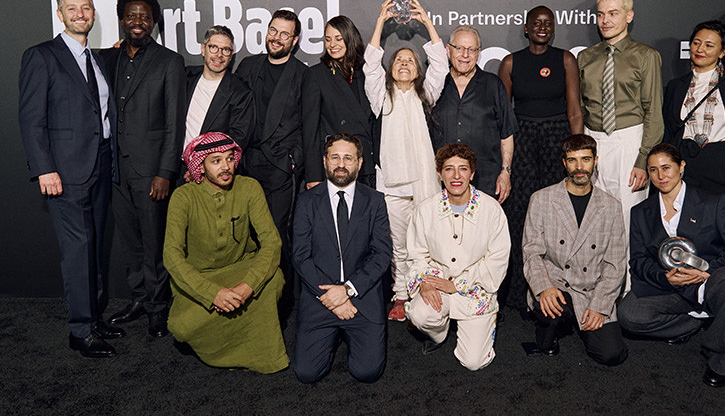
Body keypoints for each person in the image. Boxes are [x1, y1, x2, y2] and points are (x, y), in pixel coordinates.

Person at [18, 0, 123, 357]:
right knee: (78, 251)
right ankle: (80, 330)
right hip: (64, 171)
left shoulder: (97, 59)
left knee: (93, 247)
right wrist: (44, 169)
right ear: (59, 14)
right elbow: (31, 119)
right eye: (73, 8)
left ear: (94, 13)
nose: (81, 14)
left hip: (101, 163)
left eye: (87, 8)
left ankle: (94, 318)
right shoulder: (41, 56)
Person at [618, 143, 725, 387]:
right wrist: (664, 277)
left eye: (666, 168)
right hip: (670, 288)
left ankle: (719, 361)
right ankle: (696, 321)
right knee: (629, 315)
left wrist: (708, 271)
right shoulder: (640, 212)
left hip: (708, 282)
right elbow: (638, 261)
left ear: (681, 167)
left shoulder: (713, 202)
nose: (661, 176)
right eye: (653, 170)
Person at [163, 132, 288, 372]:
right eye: (216, 161)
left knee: (275, 280)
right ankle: (223, 350)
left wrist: (247, 287)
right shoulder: (183, 197)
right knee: (180, 327)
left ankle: (255, 352)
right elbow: (171, 255)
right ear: (201, 166)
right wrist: (214, 294)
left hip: (241, 269)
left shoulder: (249, 187)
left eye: (230, 159)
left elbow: (272, 242)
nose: (226, 167)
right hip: (201, 277)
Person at [100, 0, 187, 338]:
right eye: (132, 16)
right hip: (115, 169)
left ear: (153, 22)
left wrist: (165, 172)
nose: (138, 22)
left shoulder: (170, 61)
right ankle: (138, 298)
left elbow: (174, 123)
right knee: (129, 241)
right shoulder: (107, 58)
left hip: (151, 170)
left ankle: (157, 307)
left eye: (145, 17)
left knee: (154, 243)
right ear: (122, 19)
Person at [363, 0, 448, 321]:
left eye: (410, 61)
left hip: (424, 184)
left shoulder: (426, 95)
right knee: (398, 245)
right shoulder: (379, 97)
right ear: (391, 69)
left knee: (426, 242)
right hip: (392, 186)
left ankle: (425, 291)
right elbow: (371, 65)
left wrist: (426, 22)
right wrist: (380, 22)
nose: (403, 63)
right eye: (398, 60)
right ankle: (400, 296)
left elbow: (441, 64)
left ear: (417, 71)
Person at [498, 5, 584, 311]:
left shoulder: (565, 59)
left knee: (556, 215)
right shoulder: (510, 62)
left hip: (556, 141)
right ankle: (517, 294)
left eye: (548, 23)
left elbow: (574, 111)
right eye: (537, 22)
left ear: (554, 28)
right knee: (520, 216)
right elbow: (503, 115)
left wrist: (576, 150)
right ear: (526, 28)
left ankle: (559, 290)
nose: (543, 27)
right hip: (521, 142)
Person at [291, 133, 392, 383]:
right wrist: (333, 299)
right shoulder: (306, 201)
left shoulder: (375, 201)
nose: (341, 164)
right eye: (335, 157)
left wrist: (347, 290)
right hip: (320, 298)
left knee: (367, 373)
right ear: (325, 161)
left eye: (348, 158)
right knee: (307, 373)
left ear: (360, 163)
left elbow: (381, 254)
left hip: (361, 298)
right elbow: (301, 256)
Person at [522, 134, 628, 365]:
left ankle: (574, 317)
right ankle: (550, 325)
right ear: (564, 163)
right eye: (572, 160)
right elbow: (531, 253)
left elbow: (615, 265)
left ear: (595, 161)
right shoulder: (542, 199)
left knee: (612, 354)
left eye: (586, 159)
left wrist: (600, 306)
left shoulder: (611, 206)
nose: (579, 167)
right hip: (556, 283)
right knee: (552, 317)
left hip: (591, 289)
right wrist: (544, 288)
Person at [405, 144, 510, 371]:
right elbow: (416, 255)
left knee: (474, 362)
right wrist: (424, 282)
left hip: (476, 290)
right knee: (421, 314)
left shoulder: (491, 210)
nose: (456, 176)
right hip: (438, 284)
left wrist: (457, 285)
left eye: (463, 169)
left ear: (472, 174)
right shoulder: (424, 210)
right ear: (439, 174)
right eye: (449, 169)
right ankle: (439, 334)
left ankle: (486, 320)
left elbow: (497, 260)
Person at [235, 10, 306, 320]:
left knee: (275, 236)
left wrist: (293, 159)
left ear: (295, 40)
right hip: (245, 165)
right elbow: (218, 82)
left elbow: (309, 122)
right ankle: (250, 299)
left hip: (279, 167)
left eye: (284, 34)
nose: (277, 38)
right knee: (246, 235)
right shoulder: (248, 66)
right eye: (273, 31)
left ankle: (280, 304)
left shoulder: (302, 74)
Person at [577, 0, 663, 237]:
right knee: (593, 218)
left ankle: (626, 266)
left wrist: (643, 159)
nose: (605, 21)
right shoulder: (585, 57)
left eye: (613, 13)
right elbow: (580, 107)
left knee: (627, 220)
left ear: (629, 16)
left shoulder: (646, 56)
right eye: (600, 14)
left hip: (629, 141)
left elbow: (653, 111)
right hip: (593, 141)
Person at [663, 20, 725, 224]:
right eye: (696, 43)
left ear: (723, 52)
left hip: (724, 166)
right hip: (687, 165)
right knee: (688, 227)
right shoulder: (676, 86)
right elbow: (669, 130)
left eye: (709, 45)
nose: (700, 49)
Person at [430, 26, 518, 201]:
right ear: (448, 50)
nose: (465, 55)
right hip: (440, 182)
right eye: (459, 48)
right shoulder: (435, 84)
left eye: (471, 50)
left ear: (479, 53)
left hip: (486, 179)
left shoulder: (493, 85)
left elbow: (507, 133)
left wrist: (505, 172)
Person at [302, 16, 377, 189]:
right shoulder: (317, 75)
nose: (332, 45)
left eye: (338, 39)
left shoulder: (366, 72)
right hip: (337, 167)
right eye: (328, 39)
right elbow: (310, 130)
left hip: (366, 165)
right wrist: (313, 175)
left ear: (350, 38)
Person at [183, 26, 253, 171]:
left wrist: (201, 166)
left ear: (231, 55)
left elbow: (236, 140)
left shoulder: (241, 92)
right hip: (176, 169)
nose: (219, 55)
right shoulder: (185, 76)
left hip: (212, 172)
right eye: (213, 47)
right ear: (203, 49)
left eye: (225, 50)